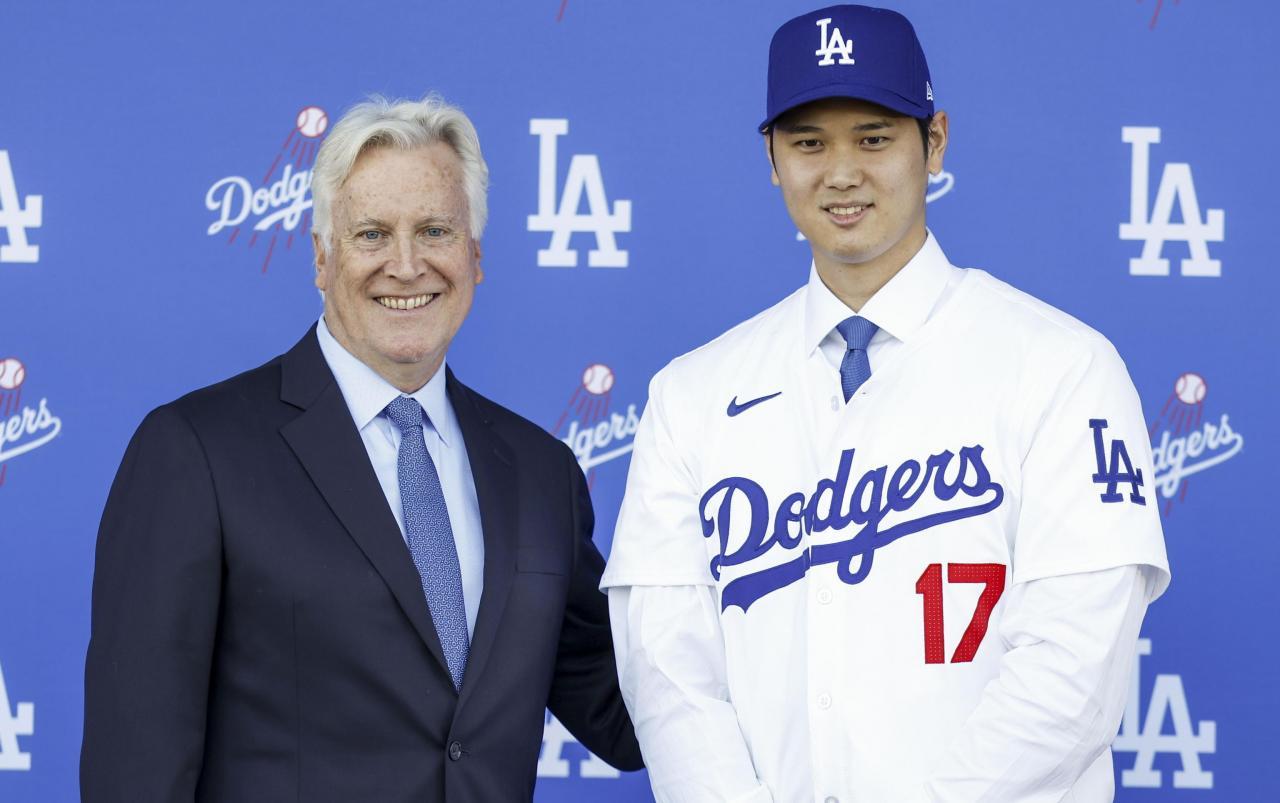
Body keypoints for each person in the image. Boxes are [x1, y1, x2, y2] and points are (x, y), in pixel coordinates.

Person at [601, 5, 1169, 801]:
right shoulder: (690, 394)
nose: (841, 172)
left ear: (935, 141)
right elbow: (669, 671)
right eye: (808, 142)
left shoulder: (1063, 367)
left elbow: (1074, 670)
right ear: (770, 157)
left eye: (873, 137)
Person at [81, 94, 642, 803]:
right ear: (321, 257)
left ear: (474, 257)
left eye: (435, 230)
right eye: (372, 234)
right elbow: (136, 769)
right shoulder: (196, 451)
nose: (406, 266)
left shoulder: (541, 473)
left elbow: (625, 713)